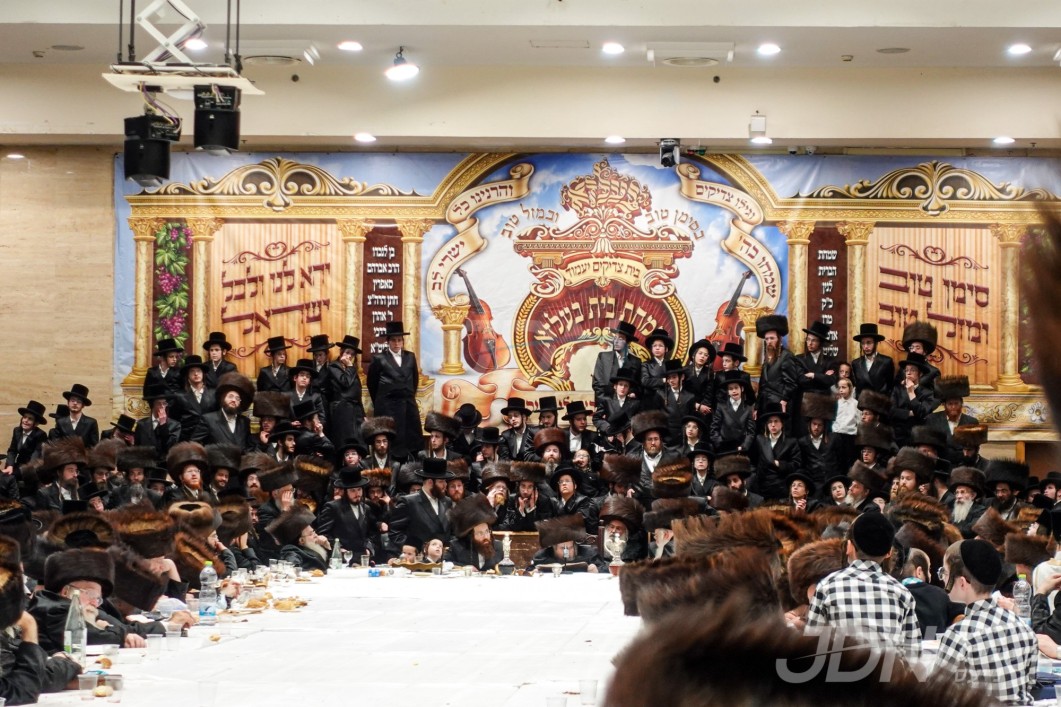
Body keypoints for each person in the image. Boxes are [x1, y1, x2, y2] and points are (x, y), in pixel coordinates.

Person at [805, 511, 920, 660]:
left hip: (838, 671)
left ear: (849, 547)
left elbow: (811, 645)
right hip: (888, 672)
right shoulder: (902, 593)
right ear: (889, 553)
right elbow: (913, 654)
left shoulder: (827, 586)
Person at [936, 539, 1036, 704]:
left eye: (944, 573)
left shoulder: (959, 636)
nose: (942, 579)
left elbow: (937, 695)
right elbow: (1030, 683)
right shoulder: (1023, 628)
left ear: (962, 583)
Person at [366, 321, 424, 459]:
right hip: (388, 407)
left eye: (399, 340)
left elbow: (414, 380)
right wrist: (382, 401)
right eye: (393, 340)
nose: (397, 343)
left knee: (412, 437)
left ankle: (411, 463)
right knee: (391, 439)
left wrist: (407, 395)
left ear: (403, 341)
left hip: (408, 405)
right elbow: (372, 384)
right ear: (388, 342)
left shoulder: (410, 357)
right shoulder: (379, 359)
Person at [314, 466, 381, 561]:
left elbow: (373, 534)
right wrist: (338, 548)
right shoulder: (333, 507)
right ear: (345, 492)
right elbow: (323, 533)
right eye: (353, 490)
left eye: (359, 489)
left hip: (363, 558)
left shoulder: (366, 508)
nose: (357, 494)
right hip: (342, 558)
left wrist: (369, 548)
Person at [387, 458, 454, 551]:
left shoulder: (447, 501)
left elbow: (452, 531)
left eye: (445, 481)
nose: (445, 485)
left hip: (444, 557)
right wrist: (414, 550)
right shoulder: (408, 502)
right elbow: (395, 533)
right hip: (419, 557)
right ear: (430, 482)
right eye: (441, 481)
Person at [899, 547, 963, 640]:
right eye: (929, 569)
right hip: (932, 643)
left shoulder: (892, 592)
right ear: (919, 572)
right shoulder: (940, 594)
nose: (930, 575)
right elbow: (960, 616)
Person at [748, 403, 801, 501]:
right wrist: (755, 476)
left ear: (782, 423)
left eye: (776, 421)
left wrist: (780, 464)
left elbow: (796, 465)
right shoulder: (760, 440)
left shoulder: (791, 442)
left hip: (781, 488)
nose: (773, 425)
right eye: (770, 422)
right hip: (762, 488)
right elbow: (752, 462)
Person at [754, 315, 800, 424]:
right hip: (765, 405)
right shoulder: (767, 358)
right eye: (767, 339)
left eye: (772, 338)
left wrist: (784, 400)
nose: (769, 341)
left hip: (779, 405)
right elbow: (762, 385)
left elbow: (791, 384)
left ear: (779, 339)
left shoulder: (786, 356)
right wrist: (756, 407)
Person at [321, 335, 365, 446]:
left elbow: (357, 393)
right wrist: (349, 366)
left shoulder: (352, 370)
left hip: (355, 411)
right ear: (341, 352)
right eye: (347, 352)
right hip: (341, 409)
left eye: (352, 354)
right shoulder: (334, 366)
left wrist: (363, 414)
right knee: (343, 441)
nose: (349, 356)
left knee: (358, 441)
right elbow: (345, 382)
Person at [192, 373, 254, 450]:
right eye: (230, 396)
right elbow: (194, 444)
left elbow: (249, 446)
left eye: (237, 398)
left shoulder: (245, 421)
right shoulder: (208, 419)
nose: (234, 400)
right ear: (223, 398)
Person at [889, 352, 939, 448]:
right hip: (898, 435)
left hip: (918, 436)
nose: (908, 373)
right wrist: (910, 413)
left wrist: (911, 392)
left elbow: (922, 413)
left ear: (920, 374)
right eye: (906, 370)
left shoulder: (928, 393)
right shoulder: (897, 389)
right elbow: (891, 411)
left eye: (913, 370)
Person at [925, 375, 978, 464]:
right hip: (940, 464)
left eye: (956, 403)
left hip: (963, 464)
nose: (953, 407)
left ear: (961, 404)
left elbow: (973, 449)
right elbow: (929, 445)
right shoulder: (932, 419)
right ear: (944, 405)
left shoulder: (972, 422)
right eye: (950, 404)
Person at [797, 392, 841, 493]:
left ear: (824, 426)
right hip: (814, 484)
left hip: (832, 482)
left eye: (820, 425)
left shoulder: (834, 438)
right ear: (809, 424)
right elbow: (802, 465)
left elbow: (841, 461)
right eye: (814, 424)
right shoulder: (802, 442)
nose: (816, 427)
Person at [444, 495, 501, 572]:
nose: (485, 536)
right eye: (480, 533)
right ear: (471, 536)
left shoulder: (498, 547)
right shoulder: (457, 546)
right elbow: (444, 564)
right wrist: (463, 568)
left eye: (487, 531)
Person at [591, 321, 643, 405]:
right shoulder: (603, 357)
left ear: (628, 342)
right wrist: (608, 403)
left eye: (621, 338)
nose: (616, 341)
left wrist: (633, 394)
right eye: (615, 337)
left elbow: (639, 386)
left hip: (627, 406)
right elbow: (597, 384)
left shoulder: (636, 362)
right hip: (605, 405)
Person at [529, 515, 605, 572]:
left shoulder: (590, 554)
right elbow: (529, 571)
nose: (567, 552)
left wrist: (597, 570)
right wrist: (533, 572)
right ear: (554, 548)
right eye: (562, 548)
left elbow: (605, 569)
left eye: (570, 547)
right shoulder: (541, 556)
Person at [269, 506, 331, 573]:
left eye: (314, 531)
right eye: (311, 534)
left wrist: (328, 548)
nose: (316, 535)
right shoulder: (290, 549)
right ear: (301, 540)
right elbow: (292, 565)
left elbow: (330, 566)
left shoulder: (311, 548)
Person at [499, 461, 555, 531]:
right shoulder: (512, 499)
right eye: (523, 486)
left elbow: (540, 528)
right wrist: (520, 511)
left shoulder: (544, 501)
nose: (525, 491)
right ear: (518, 487)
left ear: (534, 488)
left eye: (530, 487)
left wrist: (531, 509)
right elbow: (512, 527)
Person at [709, 370, 754, 455]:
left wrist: (743, 447)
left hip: (741, 449)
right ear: (728, 392)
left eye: (736, 388)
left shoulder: (748, 409)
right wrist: (721, 445)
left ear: (742, 389)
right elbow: (714, 430)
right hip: (724, 449)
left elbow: (750, 433)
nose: (734, 391)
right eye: (730, 389)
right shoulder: (721, 407)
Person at [172, 354, 216, 440]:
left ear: (203, 374)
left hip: (209, 438)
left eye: (198, 371)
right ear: (187, 375)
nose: (196, 374)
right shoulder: (179, 396)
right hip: (187, 438)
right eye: (192, 371)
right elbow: (174, 420)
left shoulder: (213, 394)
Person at [3, 400, 48, 486]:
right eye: (24, 417)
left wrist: (19, 471)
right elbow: (12, 451)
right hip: (18, 465)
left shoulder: (41, 435)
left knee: (10, 478)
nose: (25, 420)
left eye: (30, 419)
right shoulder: (17, 431)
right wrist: (10, 466)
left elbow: (36, 457)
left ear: (36, 423)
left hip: (31, 468)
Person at [160, 442, 216, 506]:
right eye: (189, 471)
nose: (194, 474)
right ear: (181, 477)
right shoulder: (174, 495)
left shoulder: (207, 495)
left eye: (196, 471)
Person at [592, 366, 642, 437]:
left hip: (628, 436)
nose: (623, 388)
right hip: (611, 436)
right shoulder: (606, 401)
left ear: (629, 388)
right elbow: (596, 418)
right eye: (620, 384)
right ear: (615, 386)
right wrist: (608, 429)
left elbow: (638, 421)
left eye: (626, 386)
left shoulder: (634, 403)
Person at [134, 383, 181, 459]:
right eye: (159, 403)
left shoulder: (175, 425)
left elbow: (171, 447)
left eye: (164, 403)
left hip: (164, 463)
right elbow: (137, 448)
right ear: (153, 405)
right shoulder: (141, 424)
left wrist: (163, 425)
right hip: (146, 462)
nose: (162, 406)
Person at [654, 359, 695, 445]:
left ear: (682, 377)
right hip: (666, 438)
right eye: (669, 378)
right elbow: (656, 418)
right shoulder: (660, 394)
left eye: (674, 377)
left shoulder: (690, 397)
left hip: (683, 438)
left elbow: (690, 420)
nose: (671, 380)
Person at [849, 323, 895, 396]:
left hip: (880, 401)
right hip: (862, 401)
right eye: (863, 343)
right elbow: (856, 386)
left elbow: (890, 387)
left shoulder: (886, 361)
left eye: (869, 343)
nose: (866, 346)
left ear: (876, 343)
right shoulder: (856, 363)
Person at [48, 383, 99, 448]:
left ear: (83, 405)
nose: (75, 403)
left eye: (79, 401)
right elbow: (57, 445)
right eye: (72, 400)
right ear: (68, 403)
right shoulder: (61, 422)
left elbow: (94, 447)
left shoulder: (91, 423)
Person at [287, 359, 327, 434]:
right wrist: (290, 424)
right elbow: (281, 419)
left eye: (308, 376)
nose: (304, 378)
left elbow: (322, 418)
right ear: (295, 378)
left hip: (310, 433)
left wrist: (316, 426)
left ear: (309, 381)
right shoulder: (286, 396)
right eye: (302, 375)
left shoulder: (316, 397)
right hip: (291, 433)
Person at [898, 321, 942, 390]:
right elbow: (896, 388)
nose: (913, 350)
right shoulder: (903, 369)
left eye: (917, 348)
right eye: (911, 347)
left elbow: (936, 394)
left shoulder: (933, 372)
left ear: (925, 352)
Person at [640, 328, 673, 408]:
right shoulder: (646, 364)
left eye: (660, 345)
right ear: (651, 349)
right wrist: (663, 380)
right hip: (650, 401)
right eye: (654, 346)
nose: (657, 348)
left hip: (668, 400)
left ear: (666, 349)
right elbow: (645, 381)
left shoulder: (671, 364)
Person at [684, 339, 716, 419]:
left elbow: (709, 393)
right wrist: (695, 405)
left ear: (707, 359)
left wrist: (703, 407)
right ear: (694, 355)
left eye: (705, 355)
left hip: (703, 408)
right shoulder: (684, 370)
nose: (702, 356)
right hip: (687, 406)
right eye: (700, 353)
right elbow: (682, 393)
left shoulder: (709, 372)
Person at [498, 398, 536, 462]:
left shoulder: (533, 433)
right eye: (510, 417)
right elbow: (504, 459)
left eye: (516, 416)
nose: (513, 419)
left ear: (523, 417)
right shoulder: (505, 435)